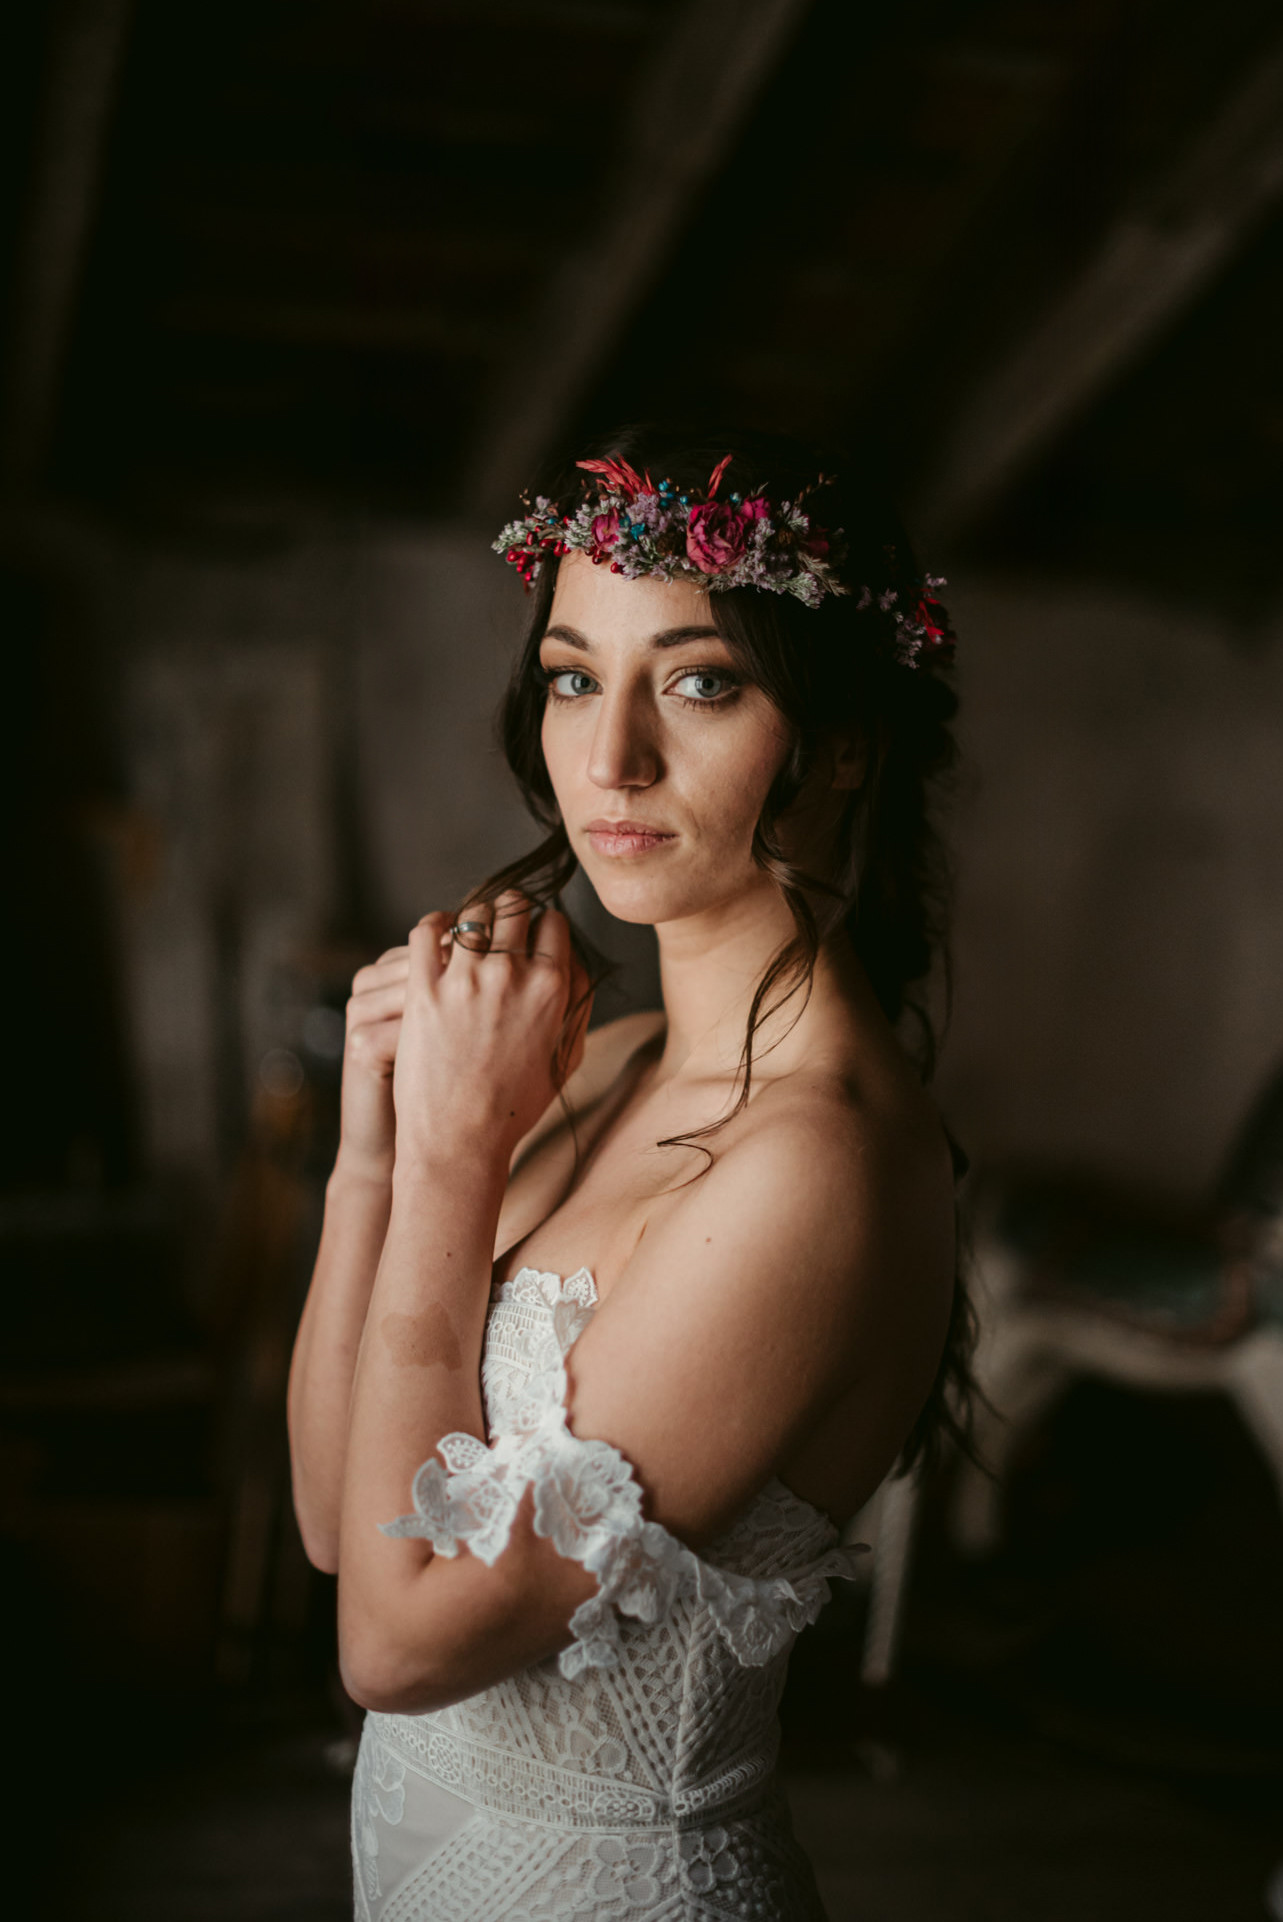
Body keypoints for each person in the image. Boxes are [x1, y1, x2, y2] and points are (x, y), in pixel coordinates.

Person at [287, 425, 970, 1920]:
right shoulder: (600, 1058)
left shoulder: (819, 1161)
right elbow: (342, 1522)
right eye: (576, 676)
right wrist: (377, 1151)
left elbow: (395, 1644)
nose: (612, 758)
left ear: (842, 737)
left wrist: (461, 1161)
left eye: (702, 679)